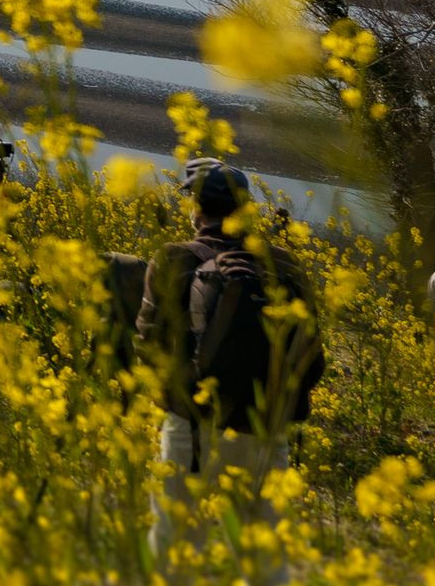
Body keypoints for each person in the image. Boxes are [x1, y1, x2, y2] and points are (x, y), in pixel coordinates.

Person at [137, 159, 325, 543]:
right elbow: (312, 358)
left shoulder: (174, 258)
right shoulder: (284, 264)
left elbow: (148, 346)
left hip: (192, 427)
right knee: (262, 553)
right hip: (264, 428)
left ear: (196, 207)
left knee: (176, 546)